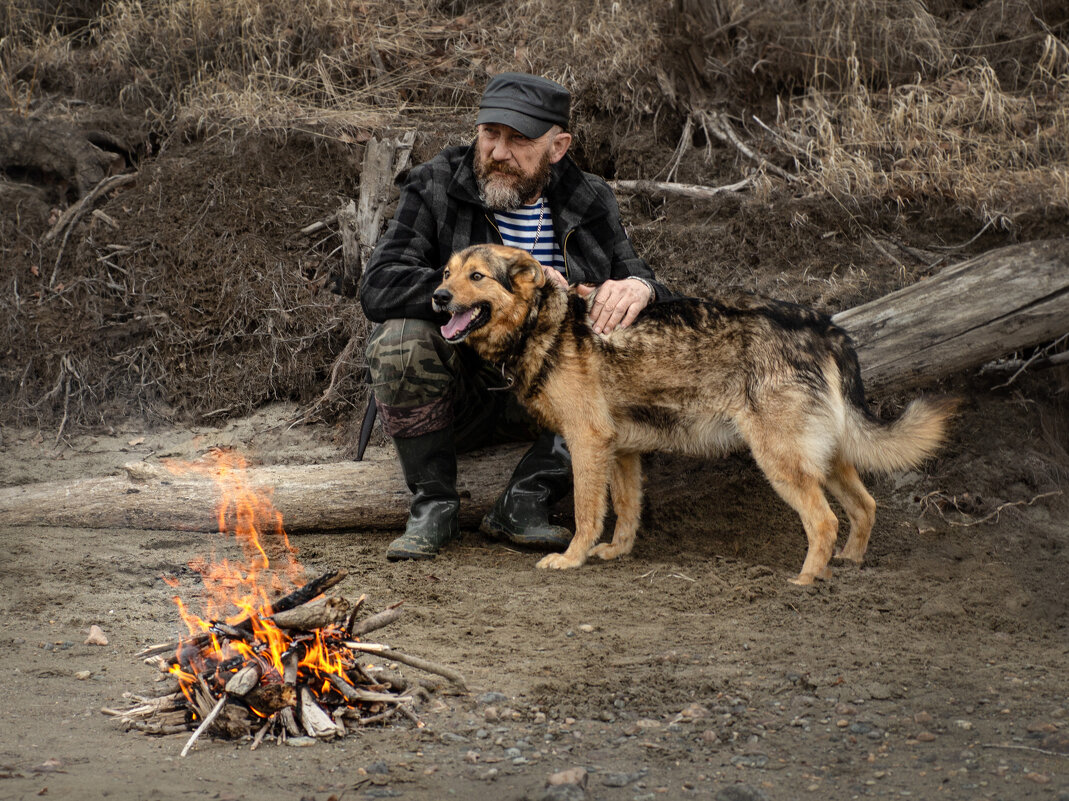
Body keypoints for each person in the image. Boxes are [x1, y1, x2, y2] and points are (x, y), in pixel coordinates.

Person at [360, 72, 672, 561]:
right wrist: (482, 290)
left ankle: (527, 499)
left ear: (558, 145)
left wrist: (640, 287)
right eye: (490, 134)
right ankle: (434, 505)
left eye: (519, 139)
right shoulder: (438, 184)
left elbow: (646, 282)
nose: (499, 152)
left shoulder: (588, 198)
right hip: (466, 397)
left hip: (557, 398)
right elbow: (380, 284)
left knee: (616, 353)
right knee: (399, 339)